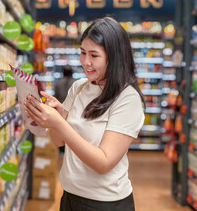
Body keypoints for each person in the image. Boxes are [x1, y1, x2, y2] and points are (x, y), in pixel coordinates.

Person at [24, 17, 145, 211]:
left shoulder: (127, 99)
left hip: (105, 203)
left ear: (114, 57)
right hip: (70, 197)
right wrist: (59, 116)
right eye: (82, 53)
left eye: (94, 55)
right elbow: (58, 142)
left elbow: (104, 162)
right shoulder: (79, 87)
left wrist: (60, 122)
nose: (85, 62)